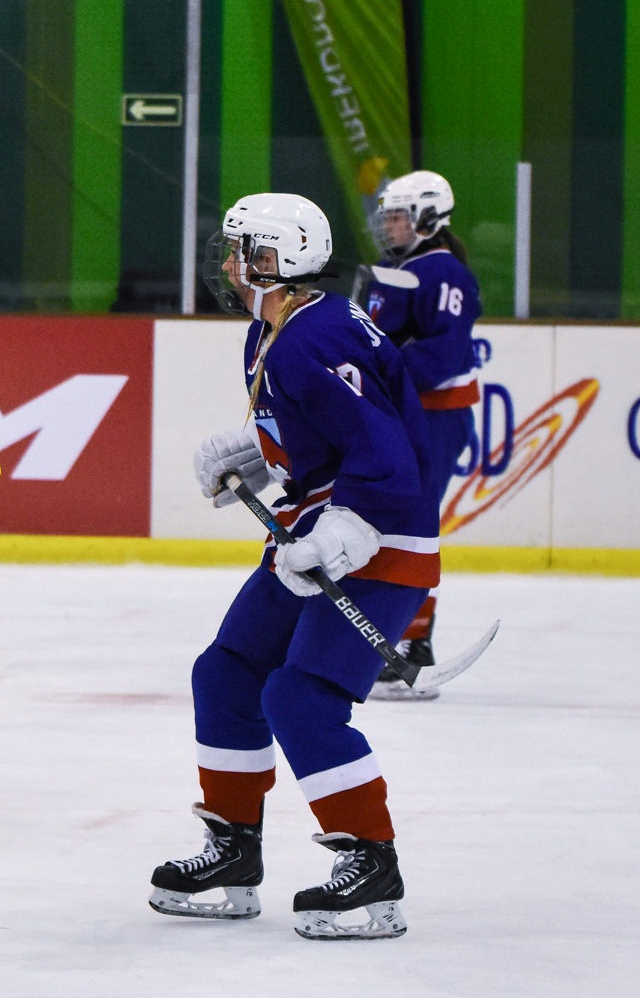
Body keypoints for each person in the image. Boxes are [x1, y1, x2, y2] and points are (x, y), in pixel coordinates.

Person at [149, 193, 439, 940]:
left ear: (276, 259)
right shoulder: (271, 332)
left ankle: (371, 860)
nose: (228, 263)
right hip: (318, 530)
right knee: (226, 671)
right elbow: (320, 436)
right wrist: (257, 453)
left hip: (383, 540)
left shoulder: (317, 337)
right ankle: (232, 848)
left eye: (242, 249)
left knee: (300, 698)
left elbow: (387, 454)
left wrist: (345, 524)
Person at [358, 170, 481, 700]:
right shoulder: (394, 268)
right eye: (386, 215)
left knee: (414, 524)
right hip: (401, 415)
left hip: (433, 418)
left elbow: (441, 355)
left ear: (429, 218)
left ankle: (413, 645)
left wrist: (378, 371)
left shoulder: (444, 272)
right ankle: (391, 636)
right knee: (385, 521)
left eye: (399, 215)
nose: (389, 224)